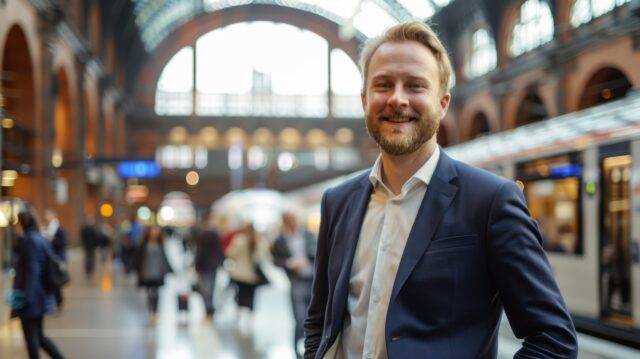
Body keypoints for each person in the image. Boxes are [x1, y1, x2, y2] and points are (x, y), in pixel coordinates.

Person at [304, 22, 578, 359]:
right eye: (383, 85)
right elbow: (320, 318)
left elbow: (553, 340)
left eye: (416, 86)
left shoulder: (490, 201)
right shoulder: (338, 201)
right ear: (364, 100)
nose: (397, 98)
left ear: (443, 103)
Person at [12, 210, 65, 359]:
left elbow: (33, 271)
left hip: (31, 297)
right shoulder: (38, 237)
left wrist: (25, 299)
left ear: (22, 222)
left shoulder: (29, 240)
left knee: (32, 339)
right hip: (39, 295)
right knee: (39, 337)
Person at [272, 212, 317, 358]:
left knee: (315, 314)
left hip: (312, 280)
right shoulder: (280, 240)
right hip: (295, 281)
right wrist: (288, 263)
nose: (293, 222)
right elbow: (276, 260)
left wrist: (309, 261)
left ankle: (313, 345)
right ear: (284, 222)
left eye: (294, 219)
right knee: (299, 317)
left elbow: (319, 253)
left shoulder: (308, 235)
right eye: (289, 220)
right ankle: (297, 347)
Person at [225, 223, 267, 329]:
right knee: (251, 295)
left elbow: (230, 253)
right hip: (252, 275)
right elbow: (263, 257)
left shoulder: (240, 240)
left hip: (240, 274)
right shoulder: (259, 241)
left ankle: (239, 314)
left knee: (240, 293)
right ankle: (250, 316)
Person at [135, 225, 173, 321]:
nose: (154, 233)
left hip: (158, 272)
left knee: (156, 293)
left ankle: (155, 310)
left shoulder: (160, 244)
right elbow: (138, 258)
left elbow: (164, 258)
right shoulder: (144, 244)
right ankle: (151, 308)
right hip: (146, 271)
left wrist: (171, 269)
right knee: (149, 292)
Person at [194, 224, 225, 318]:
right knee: (211, 287)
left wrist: (196, 265)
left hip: (204, 267)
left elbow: (198, 253)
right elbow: (220, 253)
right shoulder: (216, 239)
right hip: (212, 267)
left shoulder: (201, 239)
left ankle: (208, 306)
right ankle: (209, 305)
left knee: (205, 288)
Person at [44, 209, 68, 309]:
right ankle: (55, 302)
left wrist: (52, 240)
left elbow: (63, 243)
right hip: (51, 259)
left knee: (56, 281)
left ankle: (59, 302)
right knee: (52, 281)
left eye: (48, 215)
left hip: (57, 259)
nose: (46, 217)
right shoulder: (49, 228)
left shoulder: (59, 229)